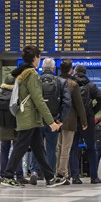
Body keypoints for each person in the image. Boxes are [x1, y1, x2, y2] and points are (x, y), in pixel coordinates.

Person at [1, 46, 61, 187]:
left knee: (39, 149)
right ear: (35, 58)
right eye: (39, 57)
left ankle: (49, 177)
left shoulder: (22, 73)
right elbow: (38, 99)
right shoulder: (32, 74)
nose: (39, 60)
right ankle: (8, 175)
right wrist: (50, 121)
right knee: (20, 147)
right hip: (29, 117)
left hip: (28, 117)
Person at [27, 57, 70, 185]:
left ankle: (34, 171)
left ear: (42, 68)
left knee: (37, 147)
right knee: (51, 149)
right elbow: (67, 103)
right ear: (54, 68)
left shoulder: (35, 80)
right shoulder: (61, 82)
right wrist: (60, 120)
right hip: (53, 120)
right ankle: (49, 175)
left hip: (37, 120)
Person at [49, 60, 88, 187]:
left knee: (56, 148)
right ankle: (63, 173)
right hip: (69, 121)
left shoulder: (54, 81)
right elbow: (79, 105)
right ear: (70, 70)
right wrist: (83, 121)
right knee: (66, 148)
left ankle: (55, 172)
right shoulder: (73, 84)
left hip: (54, 120)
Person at [70, 64, 101, 184]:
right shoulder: (91, 85)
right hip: (88, 121)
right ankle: (94, 177)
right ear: (85, 73)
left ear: (75, 72)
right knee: (91, 148)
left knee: (73, 148)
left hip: (74, 120)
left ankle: (75, 177)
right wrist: (92, 112)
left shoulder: (70, 84)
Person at [0, 75, 25, 183]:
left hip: (2, 126)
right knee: (17, 151)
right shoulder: (17, 93)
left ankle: (4, 175)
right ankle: (19, 176)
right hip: (16, 126)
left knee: (4, 150)